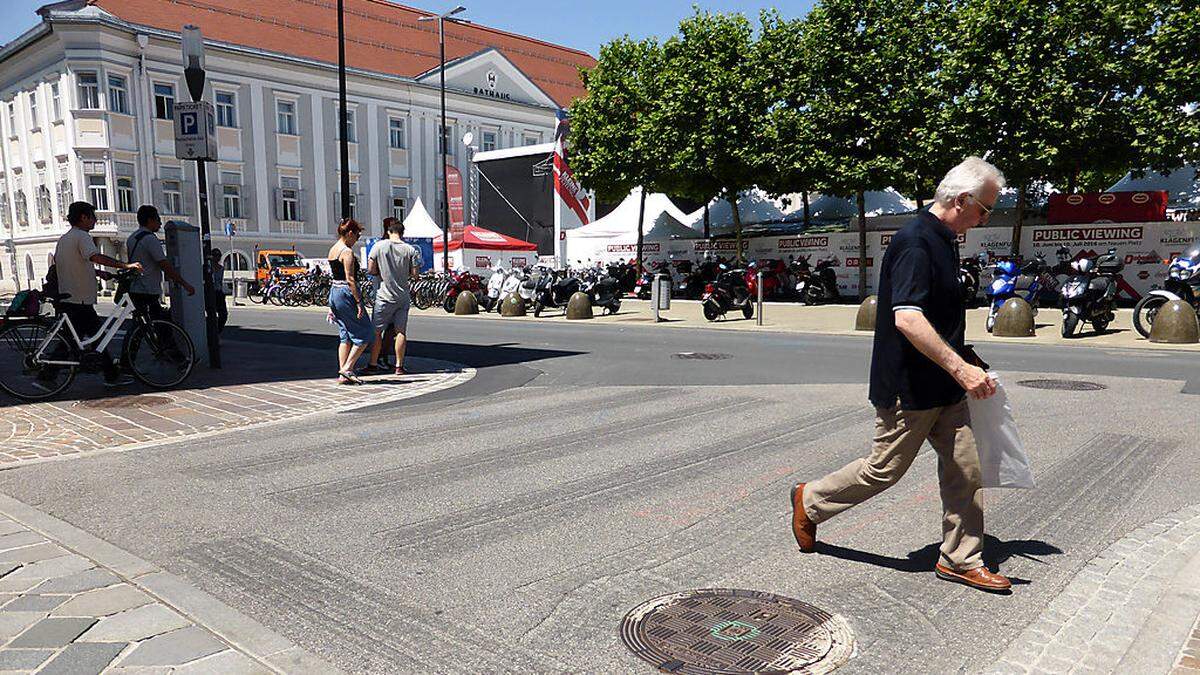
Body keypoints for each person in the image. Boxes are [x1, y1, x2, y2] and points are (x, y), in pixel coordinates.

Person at [790, 157, 1011, 593]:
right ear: (962, 200)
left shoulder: (945, 239)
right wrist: (960, 368)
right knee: (883, 471)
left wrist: (970, 361)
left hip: (945, 386)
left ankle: (961, 559)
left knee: (966, 469)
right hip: (908, 387)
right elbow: (908, 319)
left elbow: (940, 317)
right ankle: (810, 500)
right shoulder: (915, 242)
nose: (986, 218)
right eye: (986, 209)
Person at [53, 201, 142, 387]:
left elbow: (77, 264)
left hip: (70, 295)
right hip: (81, 298)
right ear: (83, 217)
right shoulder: (82, 236)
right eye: (92, 216)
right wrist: (125, 265)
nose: (94, 220)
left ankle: (110, 375)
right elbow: (96, 257)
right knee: (92, 337)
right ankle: (110, 376)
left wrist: (102, 274)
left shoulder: (65, 238)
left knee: (87, 339)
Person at [363, 217, 421, 375]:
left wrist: (382, 272)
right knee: (400, 331)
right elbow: (415, 275)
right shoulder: (410, 250)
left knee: (376, 332)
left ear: (389, 232)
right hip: (403, 296)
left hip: (384, 295)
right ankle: (399, 366)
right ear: (402, 233)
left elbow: (371, 269)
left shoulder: (379, 246)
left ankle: (373, 363)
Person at [125, 205, 194, 322]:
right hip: (148, 289)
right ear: (150, 220)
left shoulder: (132, 238)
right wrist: (184, 284)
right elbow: (164, 264)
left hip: (135, 288)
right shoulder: (150, 239)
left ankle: (135, 339)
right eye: (158, 220)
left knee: (141, 324)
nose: (160, 224)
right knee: (161, 325)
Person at [327, 218, 373, 384]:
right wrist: (359, 301)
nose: (357, 240)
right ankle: (347, 368)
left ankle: (342, 373)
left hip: (334, 292)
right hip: (345, 292)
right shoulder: (346, 252)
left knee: (345, 334)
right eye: (357, 236)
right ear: (350, 233)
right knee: (366, 332)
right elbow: (350, 279)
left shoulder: (333, 249)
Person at [209, 248, 228, 332]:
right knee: (211, 314)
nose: (217, 258)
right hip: (210, 293)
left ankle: (217, 331)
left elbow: (220, 281)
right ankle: (212, 333)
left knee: (223, 314)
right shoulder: (208, 268)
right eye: (215, 255)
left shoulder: (221, 268)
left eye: (219, 256)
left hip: (219, 292)